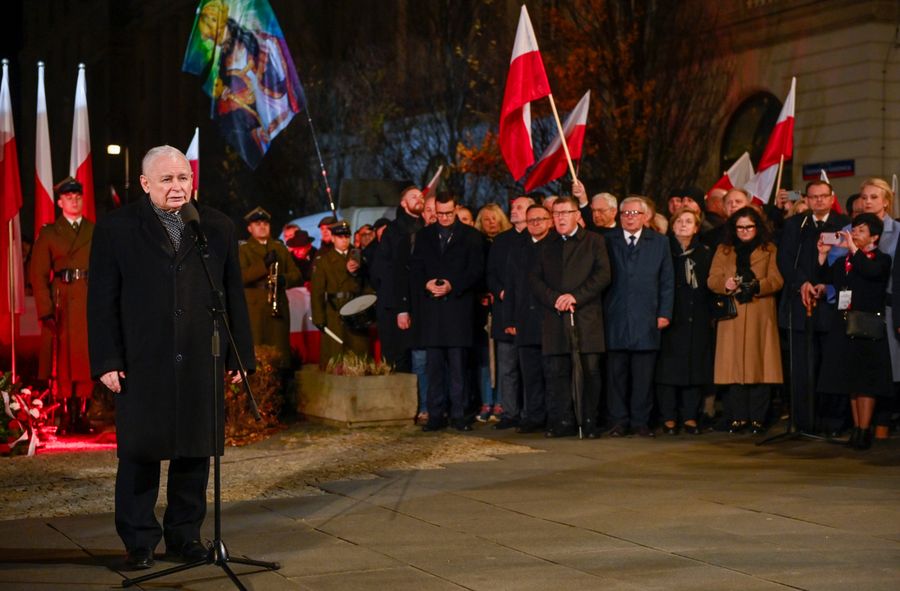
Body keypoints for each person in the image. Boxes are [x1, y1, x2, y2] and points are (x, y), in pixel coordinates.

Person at [88, 145, 254, 570]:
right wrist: (107, 359)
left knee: (194, 454)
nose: (177, 187)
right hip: (143, 361)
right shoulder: (117, 229)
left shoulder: (215, 226)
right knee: (141, 455)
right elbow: (101, 301)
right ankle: (139, 540)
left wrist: (240, 356)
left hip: (201, 359)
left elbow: (232, 295)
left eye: (183, 178)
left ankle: (185, 537)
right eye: (167, 180)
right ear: (146, 184)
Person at [531, 196, 611, 438]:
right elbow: (534, 279)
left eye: (566, 213)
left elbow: (603, 275)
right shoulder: (545, 244)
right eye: (556, 214)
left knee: (589, 371)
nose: (561, 217)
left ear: (577, 215)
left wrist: (575, 296)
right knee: (557, 372)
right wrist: (554, 297)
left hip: (585, 316)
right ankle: (562, 420)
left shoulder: (594, 241)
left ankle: (589, 420)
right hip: (555, 317)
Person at [776, 180, 850, 435]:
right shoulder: (796, 225)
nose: (818, 201)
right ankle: (803, 422)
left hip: (831, 306)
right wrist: (802, 283)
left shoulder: (843, 224)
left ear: (832, 197)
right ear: (806, 199)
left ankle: (832, 422)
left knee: (831, 366)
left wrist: (824, 284)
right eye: (813, 197)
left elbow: (848, 263)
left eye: (823, 196)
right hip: (800, 305)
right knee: (802, 368)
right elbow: (785, 259)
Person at [817, 214, 893, 450]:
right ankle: (856, 428)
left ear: (874, 236)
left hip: (867, 325)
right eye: (855, 229)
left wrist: (853, 250)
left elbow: (872, 273)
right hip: (844, 323)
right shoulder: (844, 262)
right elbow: (828, 279)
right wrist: (822, 254)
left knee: (866, 381)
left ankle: (865, 429)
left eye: (861, 230)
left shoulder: (882, 259)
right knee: (850, 379)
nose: (856, 233)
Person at [411, 195, 485, 431]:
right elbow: (416, 267)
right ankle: (435, 415)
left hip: (458, 309)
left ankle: (460, 414)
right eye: (439, 213)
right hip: (433, 311)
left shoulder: (471, 236)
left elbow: (476, 270)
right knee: (433, 367)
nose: (443, 218)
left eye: (448, 213)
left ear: (456, 209)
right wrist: (426, 283)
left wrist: (454, 285)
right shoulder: (424, 236)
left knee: (458, 367)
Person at [708, 206, 784, 434]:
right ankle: (737, 417)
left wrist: (758, 285)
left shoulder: (769, 249)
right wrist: (725, 284)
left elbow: (777, 280)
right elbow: (712, 279)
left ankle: (758, 418)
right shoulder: (724, 250)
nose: (744, 231)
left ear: (757, 227)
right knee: (733, 369)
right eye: (739, 227)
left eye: (748, 227)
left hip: (760, 314)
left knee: (760, 366)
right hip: (732, 315)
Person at [603, 196, 675, 437]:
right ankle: (618, 421)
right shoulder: (607, 240)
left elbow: (667, 281)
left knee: (644, 376)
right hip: (615, 318)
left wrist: (664, 312)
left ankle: (640, 422)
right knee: (616, 376)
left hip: (647, 318)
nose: (629, 217)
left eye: (634, 213)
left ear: (645, 217)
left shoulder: (660, 242)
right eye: (625, 213)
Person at [30, 177, 94, 434]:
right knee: (64, 359)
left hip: (88, 300)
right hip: (62, 303)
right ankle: (68, 414)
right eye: (69, 197)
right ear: (59, 202)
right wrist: (45, 311)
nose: (74, 200)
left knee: (86, 358)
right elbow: (37, 274)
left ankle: (84, 414)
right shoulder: (49, 233)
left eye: (78, 196)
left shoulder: (94, 230)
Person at [655, 208, 714, 435]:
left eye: (688, 221)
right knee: (667, 370)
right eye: (679, 221)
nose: (683, 225)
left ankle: (690, 416)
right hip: (670, 317)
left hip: (697, 318)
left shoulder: (704, 253)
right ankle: (669, 417)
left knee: (694, 369)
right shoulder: (663, 250)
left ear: (696, 227)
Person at [504, 204, 554, 432]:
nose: (535, 223)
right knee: (530, 373)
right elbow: (511, 286)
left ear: (550, 221)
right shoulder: (517, 249)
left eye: (540, 219)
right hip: (524, 320)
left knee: (551, 372)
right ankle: (533, 416)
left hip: (549, 320)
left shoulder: (556, 246)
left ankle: (553, 417)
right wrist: (510, 320)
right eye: (531, 219)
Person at [486, 196, 533, 429]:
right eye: (513, 207)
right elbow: (491, 273)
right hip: (505, 312)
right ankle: (510, 412)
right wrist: (501, 290)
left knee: (529, 368)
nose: (513, 210)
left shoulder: (535, 239)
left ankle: (529, 413)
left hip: (528, 313)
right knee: (507, 368)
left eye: (519, 207)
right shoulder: (502, 241)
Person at [239, 206, 302, 371]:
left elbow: (296, 275)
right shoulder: (243, 250)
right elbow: (241, 277)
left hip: (278, 304)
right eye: (257, 224)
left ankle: (282, 386)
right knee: (257, 349)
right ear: (249, 228)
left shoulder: (280, 248)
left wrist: (283, 279)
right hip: (256, 308)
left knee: (280, 349)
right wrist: (263, 265)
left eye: (265, 223)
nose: (262, 226)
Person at [371, 187, 424, 374]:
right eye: (414, 196)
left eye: (421, 196)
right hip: (394, 304)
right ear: (403, 203)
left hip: (418, 302)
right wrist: (400, 307)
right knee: (397, 358)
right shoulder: (394, 231)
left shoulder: (425, 227)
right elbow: (386, 270)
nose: (419, 199)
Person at [310, 221, 371, 368]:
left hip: (356, 309)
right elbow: (317, 291)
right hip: (334, 310)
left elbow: (367, 284)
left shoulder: (359, 257)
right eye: (340, 237)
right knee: (335, 355)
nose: (344, 240)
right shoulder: (324, 261)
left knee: (359, 353)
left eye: (346, 236)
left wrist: (358, 271)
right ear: (333, 239)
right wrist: (319, 318)